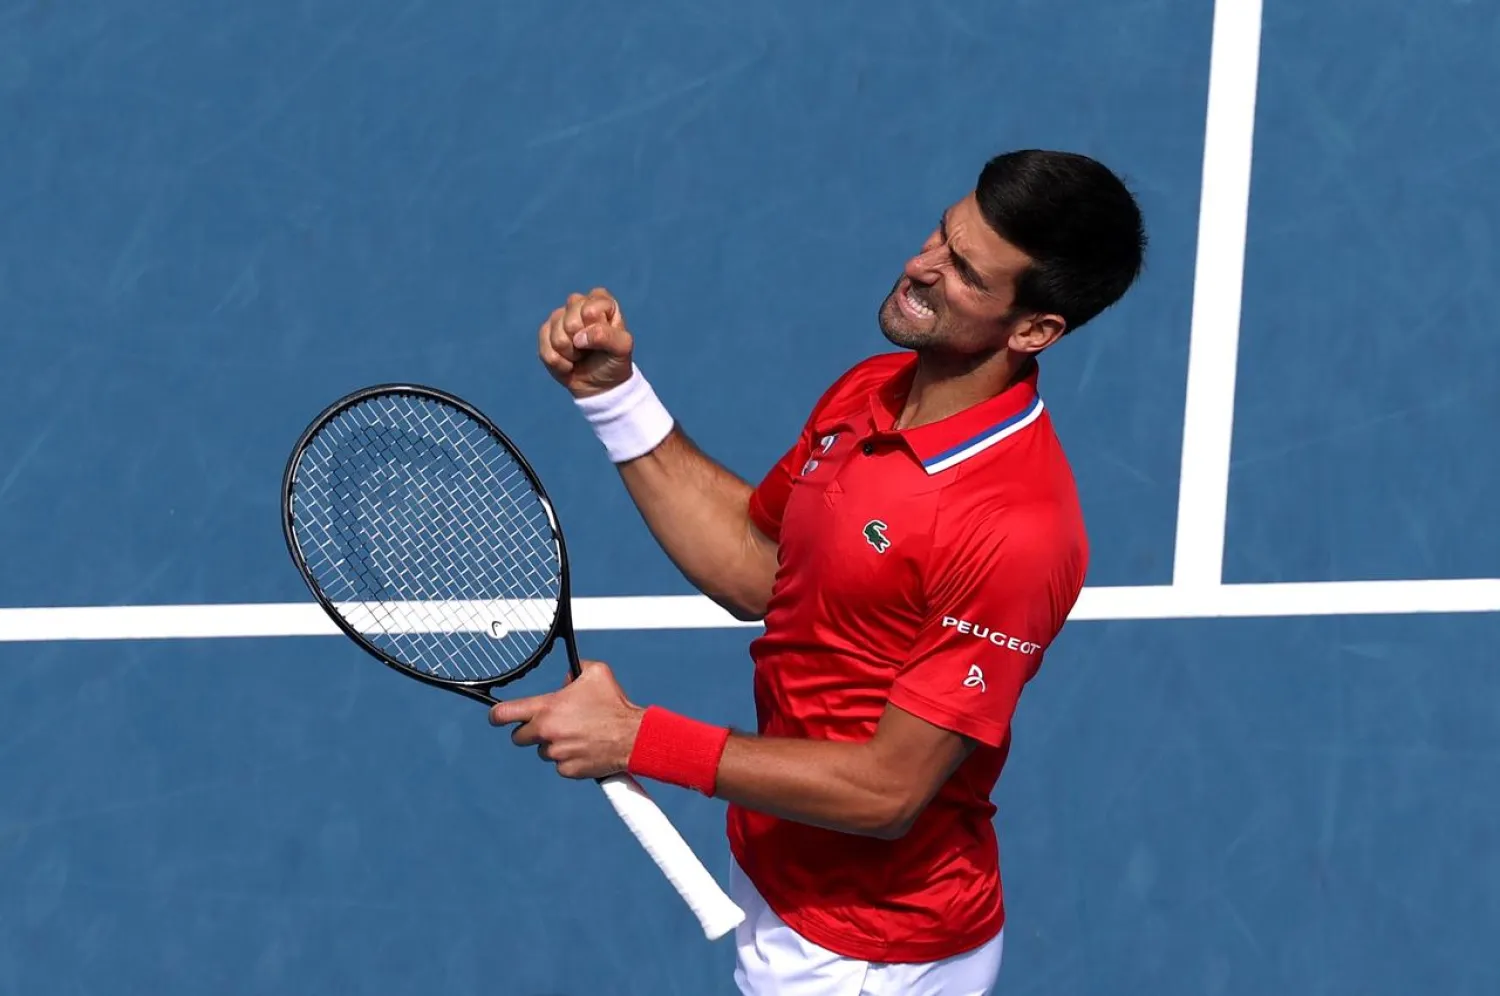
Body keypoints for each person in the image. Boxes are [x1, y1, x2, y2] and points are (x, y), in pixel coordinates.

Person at [489, 149, 1147, 995]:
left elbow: (888, 791)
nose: (921, 268)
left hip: (869, 952)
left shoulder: (1013, 528)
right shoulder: (876, 389)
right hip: (787, 880)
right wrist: (613, 396)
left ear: (1032, 330)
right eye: (941, 237)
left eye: (965, 273)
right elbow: (762, 571)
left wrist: (637, 738)